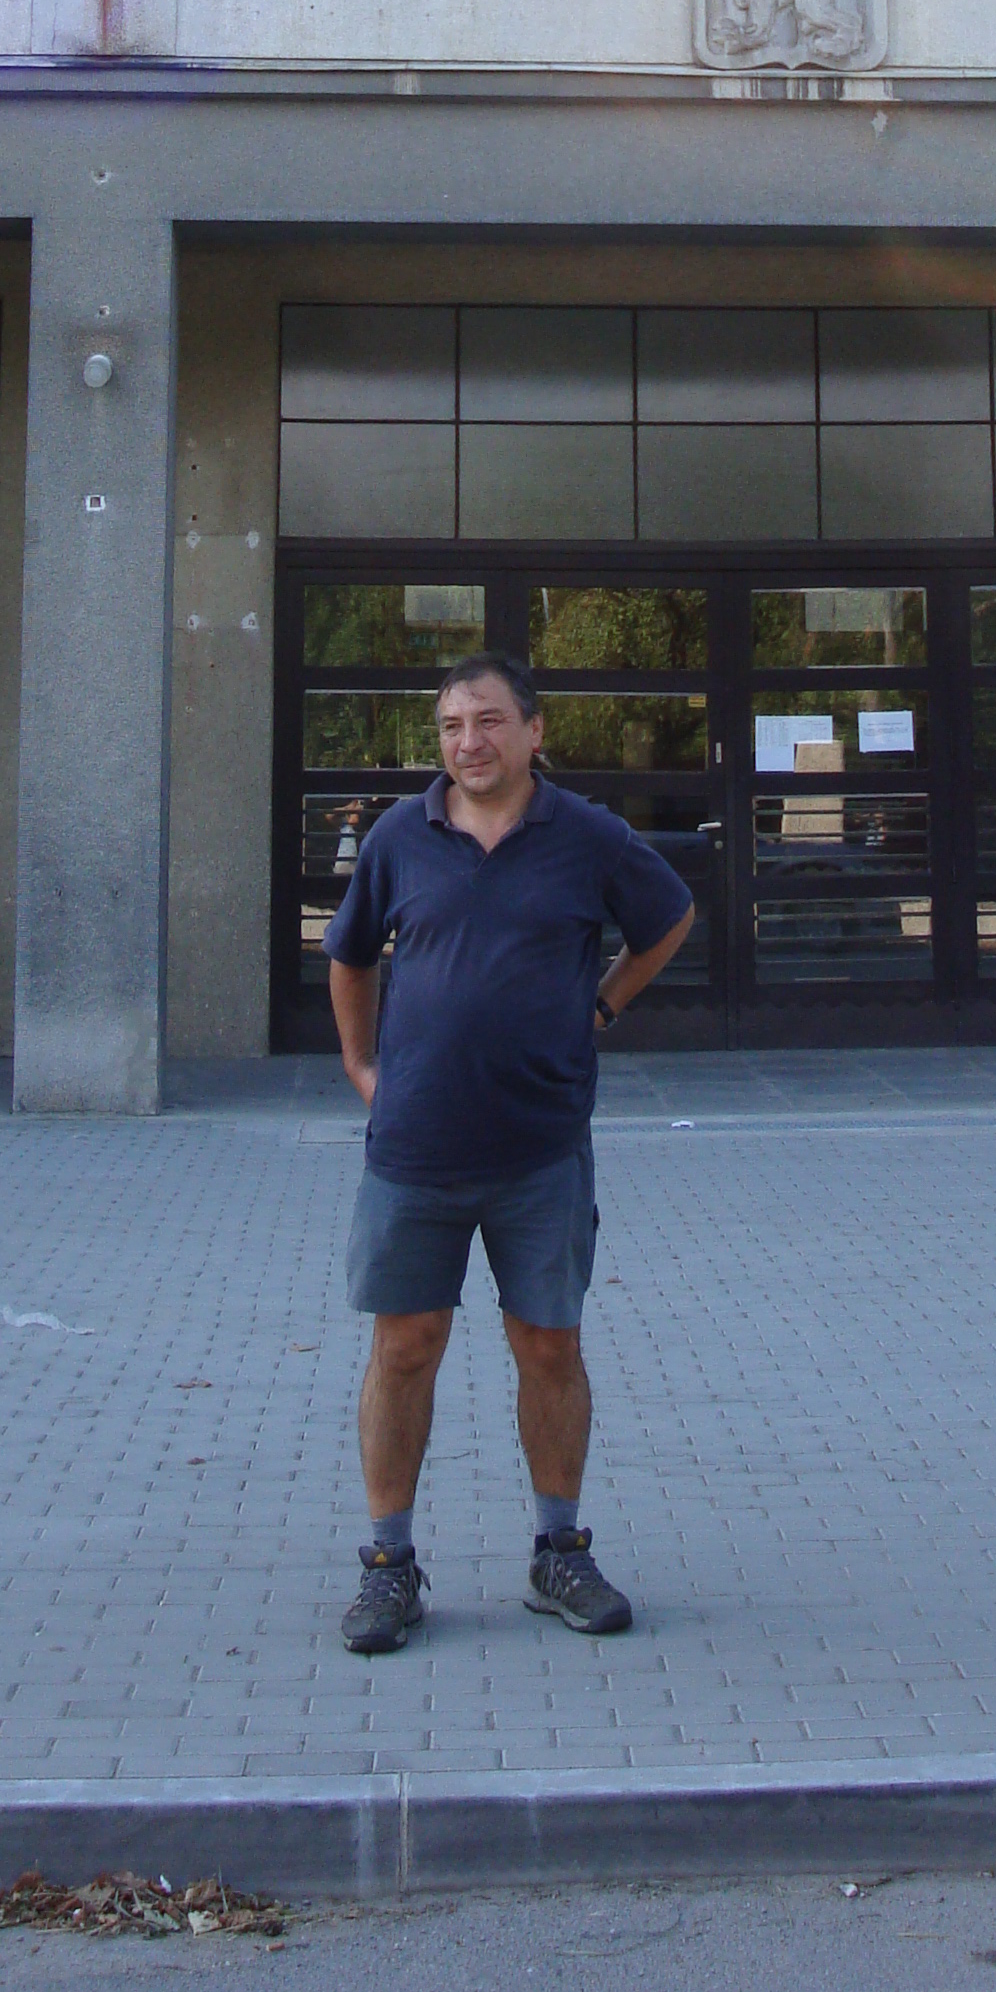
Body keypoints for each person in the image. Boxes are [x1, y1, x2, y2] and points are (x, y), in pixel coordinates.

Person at [322, 647, 694, 1656]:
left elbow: (669, 918)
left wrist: (602, 1006)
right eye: (452, 726)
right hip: (415, 1150)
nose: (469, 742)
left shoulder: (588, 837)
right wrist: (361, 1064)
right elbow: (348, 955)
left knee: (549, 1346)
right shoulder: (400, 836)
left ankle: (558, 1551)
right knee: (405, 1348)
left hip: (540, 1147)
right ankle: (389, 1565)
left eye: (488, 721)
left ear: (534, 732)